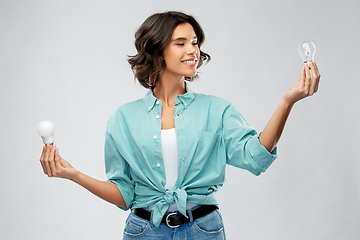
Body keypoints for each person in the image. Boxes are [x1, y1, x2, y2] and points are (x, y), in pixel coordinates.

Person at [39, 11, 320, 240]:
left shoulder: (217, 110)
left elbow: (255, 158)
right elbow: (124, 196)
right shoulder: (122, 119)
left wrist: (287, 101)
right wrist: (73, 174)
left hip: (204, 230)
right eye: (181, 43)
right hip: (143, 232)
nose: (193, 51)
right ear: (157, 50)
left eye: (195, 42)